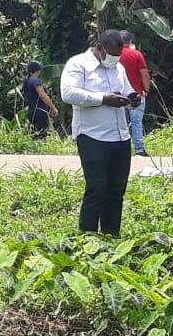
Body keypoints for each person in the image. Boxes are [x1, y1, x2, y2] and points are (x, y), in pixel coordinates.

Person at [60, 30, 141, 236]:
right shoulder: (78, 64)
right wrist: (103, 99)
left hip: (120, 136)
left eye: (118, 55)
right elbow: (68, 93)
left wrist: (132, 97)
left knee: (116, 191)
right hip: (92, 136)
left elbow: (127, 89)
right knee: (97, 188)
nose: (114, 59)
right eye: (111, 54)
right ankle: (86, 237)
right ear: (99, 47)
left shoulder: (118, 67)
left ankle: (111, 236)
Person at [119, 30, 152, 156]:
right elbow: (144, 73)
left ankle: (123, 149)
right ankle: (139, 148)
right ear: (130, 41)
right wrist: (146, 89)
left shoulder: (114, 55)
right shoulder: (136, 54)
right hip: (136, 94)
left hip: (119, 95)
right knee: (136, 122)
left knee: (122, 123)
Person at [20, 61, 59, 137]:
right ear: (38, 70)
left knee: (34, 135)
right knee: (41, 135)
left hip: (31, 111)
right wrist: (53, 108)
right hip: (40, 111)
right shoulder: (35, 80)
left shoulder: (27, 81)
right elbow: (43, 96)